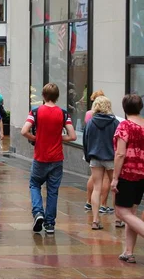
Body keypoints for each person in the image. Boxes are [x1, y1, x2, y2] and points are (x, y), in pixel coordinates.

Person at [21, 83, 76, 234]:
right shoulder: (64, 114)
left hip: (40, 157)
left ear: (43, 96)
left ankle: (38, 213)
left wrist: (36, 137)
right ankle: (50, 224)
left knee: (34, 184)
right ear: (57, 97)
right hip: (57, 158)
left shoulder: (35, 112)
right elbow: (72, 136)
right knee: (53, 191)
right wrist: (58, 138)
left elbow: (24, 131)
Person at [112, 94, 144, 263]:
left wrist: (115, 178)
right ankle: (128, 251)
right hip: (142, 175)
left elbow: (120, 153)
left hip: (128, 174)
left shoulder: (124, 126)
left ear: (124, 108)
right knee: (132, 212)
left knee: (121, 212)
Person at [83, 96, 119, 230]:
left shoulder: (90, 122)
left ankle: (95, 220)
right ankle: (118, 219)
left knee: (96, 188)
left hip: (95, 157)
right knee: (115, 188)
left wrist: (88, 156)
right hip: (111, 158)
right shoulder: (115, 123)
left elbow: (86, 141)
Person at [84, 90, 112, 212]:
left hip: (94, 154)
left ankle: (94, 216)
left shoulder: (89, 119)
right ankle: (104, 205)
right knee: (109, 181)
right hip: (109, 155)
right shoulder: (114, 121)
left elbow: (86, 138)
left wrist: (88, 155)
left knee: (96, 185)